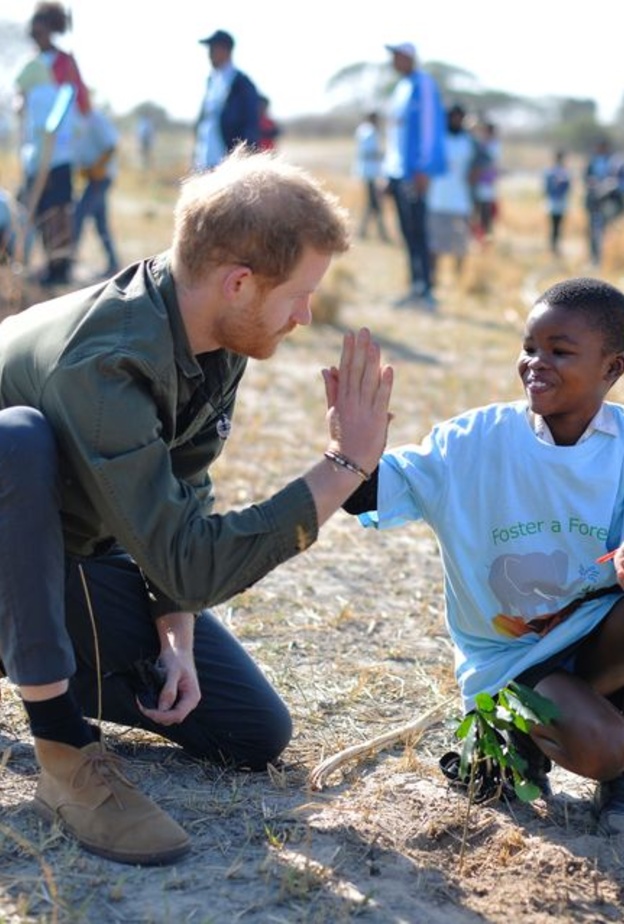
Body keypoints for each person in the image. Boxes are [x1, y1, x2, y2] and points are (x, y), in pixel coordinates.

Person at [0, 145, 393, 867]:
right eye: (298, 295)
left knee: (249, 731)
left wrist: (173, 630)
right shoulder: (107, 359)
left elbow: (183, 502)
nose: (305, 316)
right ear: (239, 282)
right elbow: (193, 560)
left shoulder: (215, 332)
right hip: (14, 539)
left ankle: (22, 650)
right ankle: (61, 748)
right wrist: (343, 467)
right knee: (15, 440)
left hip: (63, 556)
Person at [341, 276, 624, 835]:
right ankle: (508, 737)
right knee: (603, 747)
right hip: (513, 661)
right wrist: (350, 452)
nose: (535, 363)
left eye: (560, 352)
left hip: (595, 641)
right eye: (529, 347)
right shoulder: (472, 443)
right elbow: (369, 494)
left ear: (613, 368)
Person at [14, 2, 90, 286]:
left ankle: (60, 266)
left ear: (50, 28)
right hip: (34, 153)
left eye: (41, 28)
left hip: (60, 151)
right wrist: (20, 103)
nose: (36, 34)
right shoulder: (30, 66)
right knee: (35, 207)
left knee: (59, 209)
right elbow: (19, 95)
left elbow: (80, 100)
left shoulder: (65, 63)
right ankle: (36, 262)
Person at [382, 41, 446, 311]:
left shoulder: (424, 84)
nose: (394, 61)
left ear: (409, 57)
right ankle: (415, 286)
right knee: (407, 232)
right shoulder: (400, 88)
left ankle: (426, 289)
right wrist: (388, 171)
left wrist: (423, 167)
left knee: (419, 231)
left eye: (398, 56)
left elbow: (429, 128)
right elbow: (395, 134)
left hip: (415, 173)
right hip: (398, 172)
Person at [193, 29, 260, 171]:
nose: (209, 54)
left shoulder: (241, 83)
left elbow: (251, 124)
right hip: (205, 160)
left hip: (227, 165)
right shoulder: (211, 81)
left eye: (213, 49)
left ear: (226, 50)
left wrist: (243, 159)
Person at [427, 103, 478, 288]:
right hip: (436, 200)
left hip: (461, 202)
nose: (455, 120)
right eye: (452, 117)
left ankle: (459, 282)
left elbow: (482, 164)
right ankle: (433, 280)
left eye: (459, 117)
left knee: (461, 245)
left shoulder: (469, 142)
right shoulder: (437, 139)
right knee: (434, 245)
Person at [72, 106, 120, 277]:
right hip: (92, 179)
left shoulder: (95, 118)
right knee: (101, 224)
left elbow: (111, 145)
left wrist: (97, 167)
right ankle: (114, 263)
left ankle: (68, 261)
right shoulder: (76, 120)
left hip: (102, 177)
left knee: (78, 215)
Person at [584, 138, 624, 266]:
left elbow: (616, 182)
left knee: (604, 230)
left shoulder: (613, 161)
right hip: (595, 201)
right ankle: (595, 258)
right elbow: (586, 178)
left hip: (608, 201)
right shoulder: (593, 161)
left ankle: (605, 257)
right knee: (595, 231)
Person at [353, 111, 391, 242]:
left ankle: (364, 231)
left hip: (371, 172)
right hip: (370, 172)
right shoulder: (369, 132)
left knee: (373, 203)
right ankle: (380, 233)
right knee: (375, 203)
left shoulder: (365, 131)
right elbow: (370, 152)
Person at [470, 120, 501, 243]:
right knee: (476, 211)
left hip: (486, 184)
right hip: (477, 183)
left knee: (485, 212)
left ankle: (485, 236)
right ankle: (477, 235)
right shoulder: (479, 144)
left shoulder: (493, 146)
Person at [544, 149, 572, 256]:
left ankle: (555, 246)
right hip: (554, 201)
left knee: (557, 225)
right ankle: (553, 246)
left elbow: (567, 186)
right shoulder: (553, 171)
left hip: (559, 201)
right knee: (554, 225)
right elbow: (547, 187)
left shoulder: (561, 171)